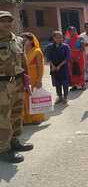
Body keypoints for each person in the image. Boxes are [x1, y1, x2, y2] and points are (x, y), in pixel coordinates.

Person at [0, 11, 34, 163]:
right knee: (3, 117)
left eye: (9, 20)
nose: (6, 23)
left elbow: (24, 61)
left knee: (16, 113)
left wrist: (27, 81)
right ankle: (3, 149)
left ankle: (14, 141)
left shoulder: (19, 40)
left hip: (18, 82)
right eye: (3, 21)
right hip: (2, 84)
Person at [22, 32, 45, 124]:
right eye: (22, 39)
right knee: (25, 98)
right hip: (24, 77)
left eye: (25, 39)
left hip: (34, 77)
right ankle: (26, 118)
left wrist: (39, 80)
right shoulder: (21, 51)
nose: (23, 41)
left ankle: (36, 118)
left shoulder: (37, 51)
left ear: (31, 41)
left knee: (34, 97)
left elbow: (41, 67)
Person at [47, 31, 71, 105]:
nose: (60, 39)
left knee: (65, 83)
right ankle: (60, 97)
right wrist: (53, 66)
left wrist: (59, 66)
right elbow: (48, 58)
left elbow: (67, 58)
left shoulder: (66, 46)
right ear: (54, 38)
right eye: (57, 37)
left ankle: (65, 97)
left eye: (61, 37)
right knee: (57, 84)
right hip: (54, 68)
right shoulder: (49, 47)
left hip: (63, 68)